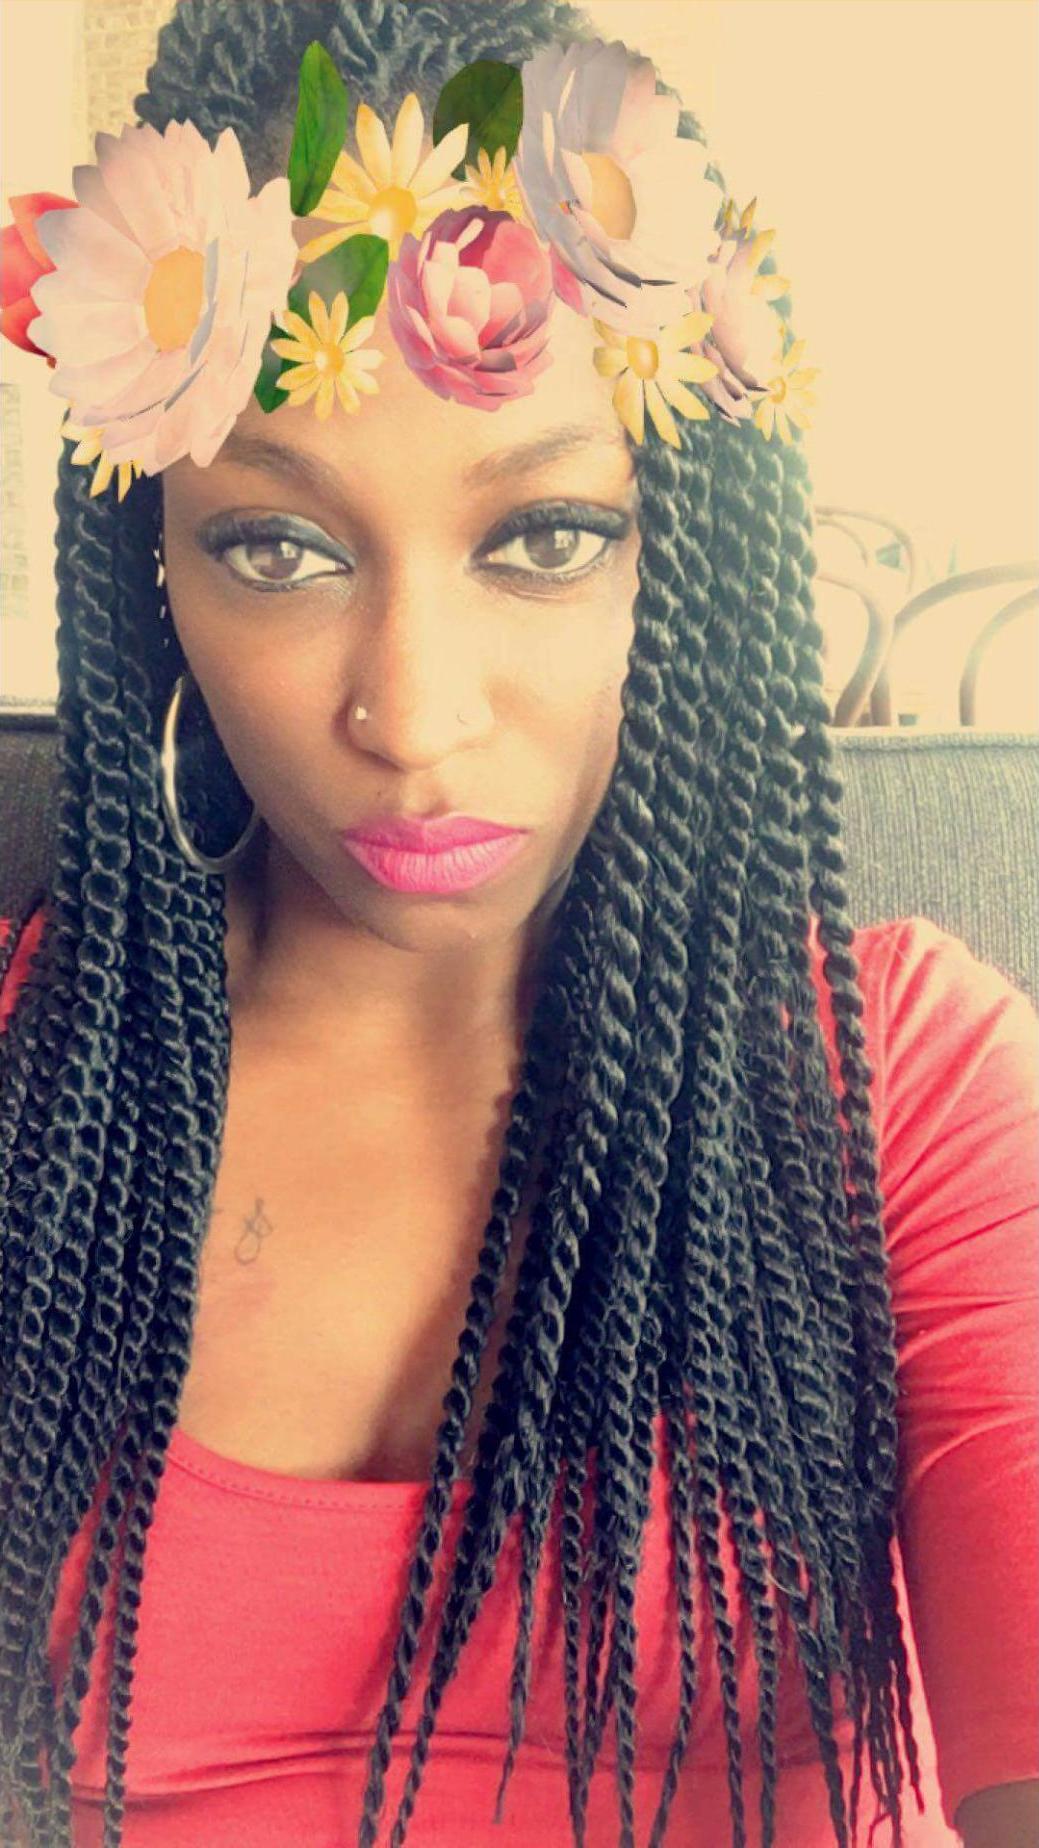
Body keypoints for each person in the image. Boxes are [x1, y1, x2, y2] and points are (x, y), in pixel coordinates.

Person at [0, 2, 1036, 1845]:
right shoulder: (30, 1087)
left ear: (683, 560)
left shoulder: (910, 1097)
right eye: (278, 549)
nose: (413, 716)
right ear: (154, 579)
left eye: (546, 536)